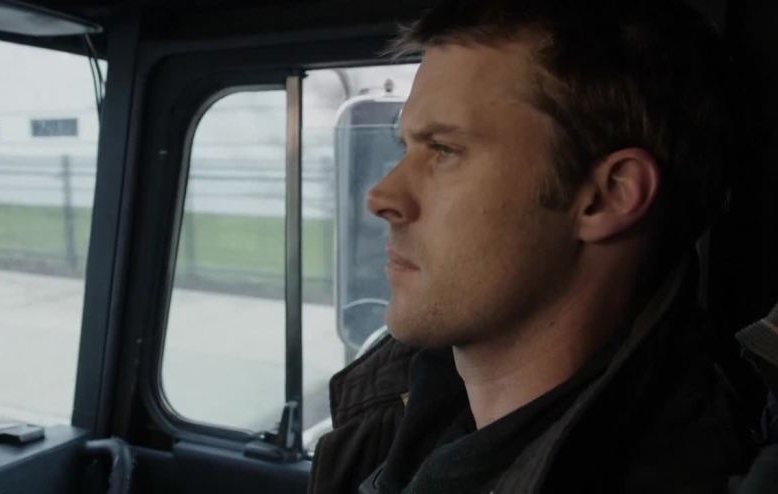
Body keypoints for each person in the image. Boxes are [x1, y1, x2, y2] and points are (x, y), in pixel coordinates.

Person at [309, 0, 755, 492]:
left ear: (607, 196)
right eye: (406, 147)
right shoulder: (408, 417)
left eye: (445, 150)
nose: (381, 197)